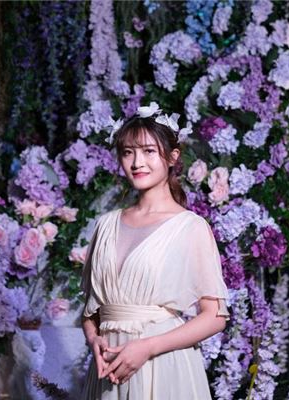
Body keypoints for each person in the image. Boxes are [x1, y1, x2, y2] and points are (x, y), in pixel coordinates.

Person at [80, 105, 230, 399]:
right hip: (109, 369)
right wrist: (93, 339)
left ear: (172, 157)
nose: (137, 162)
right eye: (128, 152)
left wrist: (148, 347)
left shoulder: (190, 227)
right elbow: (90, 312)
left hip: (162, 365)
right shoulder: (105, 225)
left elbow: (215, 316)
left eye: (149, 151)